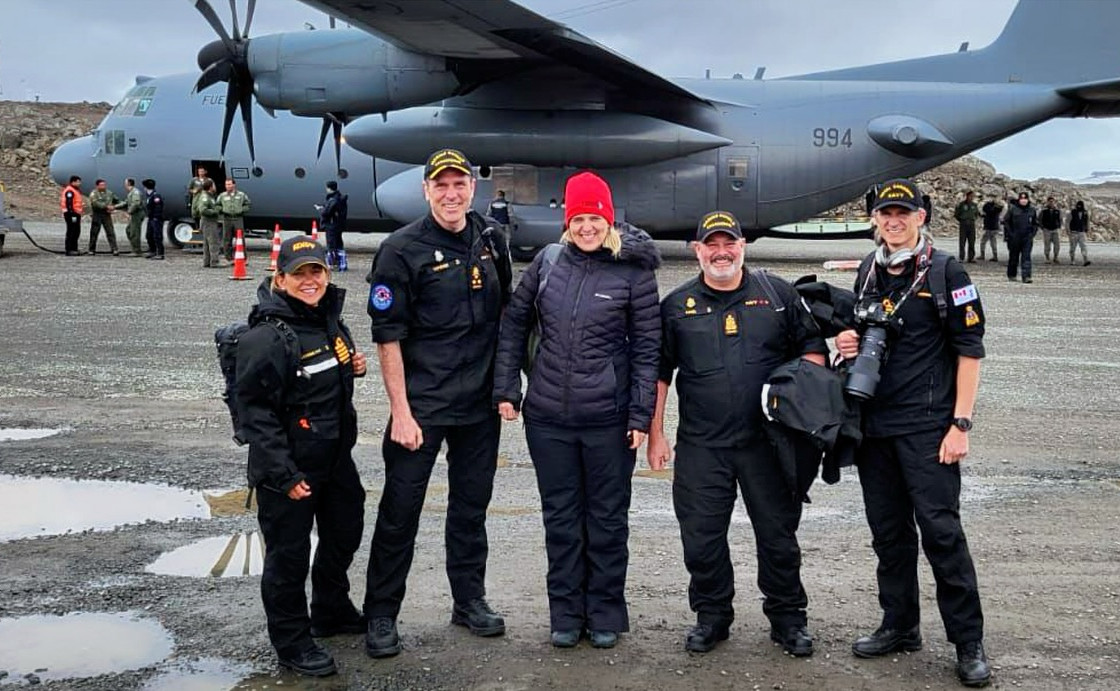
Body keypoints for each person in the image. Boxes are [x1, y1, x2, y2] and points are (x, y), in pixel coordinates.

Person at [646, 210, 828, 656]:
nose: (721, 252)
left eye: (729, 243)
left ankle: (788, 619)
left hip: (767, 444)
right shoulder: (675, 306)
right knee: (702, 537)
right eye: (712, 244)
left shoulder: (778, 295)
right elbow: (659, 375)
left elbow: (812, 352)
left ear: (743, 246)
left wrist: (800, 410)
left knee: (778, 536)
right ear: (697, 251)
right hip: (702, 446)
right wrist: (656, 434)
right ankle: (712, 618)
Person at [493, 171, 661, 650]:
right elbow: (513, 326)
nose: (587, 226)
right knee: (561, 521)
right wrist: (507, 387)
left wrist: (639, 416)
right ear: (567, 221)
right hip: (548, 419)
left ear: (609, 220)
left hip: (608, 421)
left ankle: (605, 613)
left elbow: (649, 349)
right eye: (579, 218)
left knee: (607, 520)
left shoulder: (634, 273)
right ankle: (565, 613)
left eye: (595, 217)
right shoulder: (547, 263)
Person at [836, 178, 990, 688]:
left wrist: (960, 424)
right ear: (875, 219)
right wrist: (848, 342)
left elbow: (969, 350)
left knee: (942, 534)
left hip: (928, 429)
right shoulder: (867, 270)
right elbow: (860, 334)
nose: (894, 220)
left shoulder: (946, 271)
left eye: (903, 212)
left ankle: (968, 642)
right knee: (889, 535)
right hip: (875, 428)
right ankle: (900, 624)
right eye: (885, 213)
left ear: (921, 216)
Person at [364, 148, 512, 658]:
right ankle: (381, 613)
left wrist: (505, 390)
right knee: (400, 512)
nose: (452, 194)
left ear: (473, 188)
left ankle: (468, 600)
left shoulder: (492, 238)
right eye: (441, 185)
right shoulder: (400, 250)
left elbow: (506, 320)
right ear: (426, 190)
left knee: (470, 511)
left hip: (478, 408)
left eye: (460, 184)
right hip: (421, 407)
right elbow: (388, 337)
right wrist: (400, 413)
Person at [235, 236, 368, 677]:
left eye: (317, 272)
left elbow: (326, 376)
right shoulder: (267, 336)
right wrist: (284, 472)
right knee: (288, 558)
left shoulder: (327, 319)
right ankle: (292, 642)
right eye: (300, 274)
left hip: (334, 457)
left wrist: (353, 365)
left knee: (345, 531)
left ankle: (329, 609)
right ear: (281, 279)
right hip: (287, 469)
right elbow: (254, 414)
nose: (309, 281)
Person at [1003, 191, 1038, 283]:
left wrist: (1032, 234)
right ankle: (1012, 274)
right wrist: (1010, 234)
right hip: (1015, 237)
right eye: (1021, 199)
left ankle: (1026, 276)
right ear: (1019, 199)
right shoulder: (1013, 209)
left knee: (1026, 257)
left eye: (1025, 198)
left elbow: (1035, 224)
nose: (1023, 201)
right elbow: (1006, 222)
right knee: (1014, 257)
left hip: (1027, 238)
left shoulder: (1032, 210)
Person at [218, 178, 252, 261]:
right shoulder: (222, 196)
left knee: (240, 238)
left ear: (234, 185)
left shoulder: (241, 195)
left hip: (238, 218)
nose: (228, 186)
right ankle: (229, 258)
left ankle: (243, 258)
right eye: (226, 184)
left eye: (229, 184)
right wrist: (222, 210)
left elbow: (248, 204)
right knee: (227, 239)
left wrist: (241, 210)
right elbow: (217, 205)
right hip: (227, 219)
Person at [318, 181, 349, 271]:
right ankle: (342, 264)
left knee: (331, 245)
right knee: (339, 244)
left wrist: (321, 209)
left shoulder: (333, 200)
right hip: (338, 225)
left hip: (331, 225)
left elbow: (327, 212)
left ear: (329, 188)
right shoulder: (340, 198)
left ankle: (332, 264)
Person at [195, 179, 225, 268]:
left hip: (209, 222)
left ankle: (207, 261)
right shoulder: (205, 197)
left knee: (207, 243)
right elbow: (203, 210)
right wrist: (215, 211)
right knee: (213, 242)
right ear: (210, 187)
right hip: (209, 222)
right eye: (214, 185)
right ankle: (214, 261)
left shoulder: (210, 196)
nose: (215, 187)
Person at [87, 179, 121, 256]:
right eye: (101, 185)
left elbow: (117, 200)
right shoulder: (94, 194)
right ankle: (91, 249)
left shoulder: (109, 193)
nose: (103, 186)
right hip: (97, 214)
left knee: (110, 232)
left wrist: (115, 206)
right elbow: (96, 203)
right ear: (97, 186)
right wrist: (107, 207)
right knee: (94, 233)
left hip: (106, 215)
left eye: (104, 185)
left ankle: (114, 249)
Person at [60, 175, 84, 256]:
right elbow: (69, 203)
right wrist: (72, 214)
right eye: (78, 182)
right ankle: (69, 249)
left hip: (76, 213)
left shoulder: (75, 190)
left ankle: (74, 248)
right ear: (73, 182)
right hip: (71, 214)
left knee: (76, 231)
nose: (79, 183)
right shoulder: (70, 191)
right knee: (71, 231)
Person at [142, 179, 165, 260]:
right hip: (151, 218)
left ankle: (160, 253)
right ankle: (153, 251)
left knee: (157, 236)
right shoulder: (149, 195)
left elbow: (158, 208)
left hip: (156, 219)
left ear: (145, 187)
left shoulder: (156, 196)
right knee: (149, 235)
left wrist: (156, 217)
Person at [953, 191, 979, 263]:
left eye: (972, 196)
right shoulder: (961, 205)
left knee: (972, 241)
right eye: (970, 196)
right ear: (967, 196)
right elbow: (956, 214)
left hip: (971, 224)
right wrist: (961, 219)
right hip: (963, 224)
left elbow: (976, 214)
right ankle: (961, 257)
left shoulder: (974, 205)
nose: (971, 198)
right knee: (962, 241)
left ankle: (971, 257)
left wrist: (972, 219)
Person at [122, 178, 145, 256]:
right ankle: (135, 248)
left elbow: (135, 204)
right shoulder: (131, 193)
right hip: (134, 214)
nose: (124, 184)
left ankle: (137, 251)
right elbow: (125, 202)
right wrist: (114, 207)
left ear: (128, 183)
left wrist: (129, 212)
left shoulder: (135, 192)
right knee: (129, 230)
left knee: (134, 233)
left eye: (125, 183)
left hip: (137, 215)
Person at [979, 196, 1002, 262]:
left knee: (983, 241)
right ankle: (995, 255)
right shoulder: (997, 209)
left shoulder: (990, 209)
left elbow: (985, 209)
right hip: (994, 227)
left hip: (990, 227)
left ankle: (982, 255)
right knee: (993, 242)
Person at [1039, 197, 1062, 264]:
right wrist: (1042, 227)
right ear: (1047, 202)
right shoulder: (1044, 211)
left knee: (1057, 244)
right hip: (1047, 229)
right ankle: (1047, 258)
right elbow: (1040, 219)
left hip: (1055, 229)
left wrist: (1059, 226)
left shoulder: (1057, 211)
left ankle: (1056, 257)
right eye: (1050, 201)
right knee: (1047, 244)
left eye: (1052, 201)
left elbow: (1060, 219)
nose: (1051, 203)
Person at [1068, 200, 1091, 266]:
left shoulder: (1085, 212)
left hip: (1082, 232)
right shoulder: (1073, 212)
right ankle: (1072, 260)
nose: (1079, 206)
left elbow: (1087, 222)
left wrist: (1088, 229)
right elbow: (1068, 221)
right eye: (1078, 205)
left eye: (1081, 205)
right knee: (1072, 247)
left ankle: (1085, 259)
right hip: (1074, 232)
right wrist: (1068, 231)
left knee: (1083, 246)